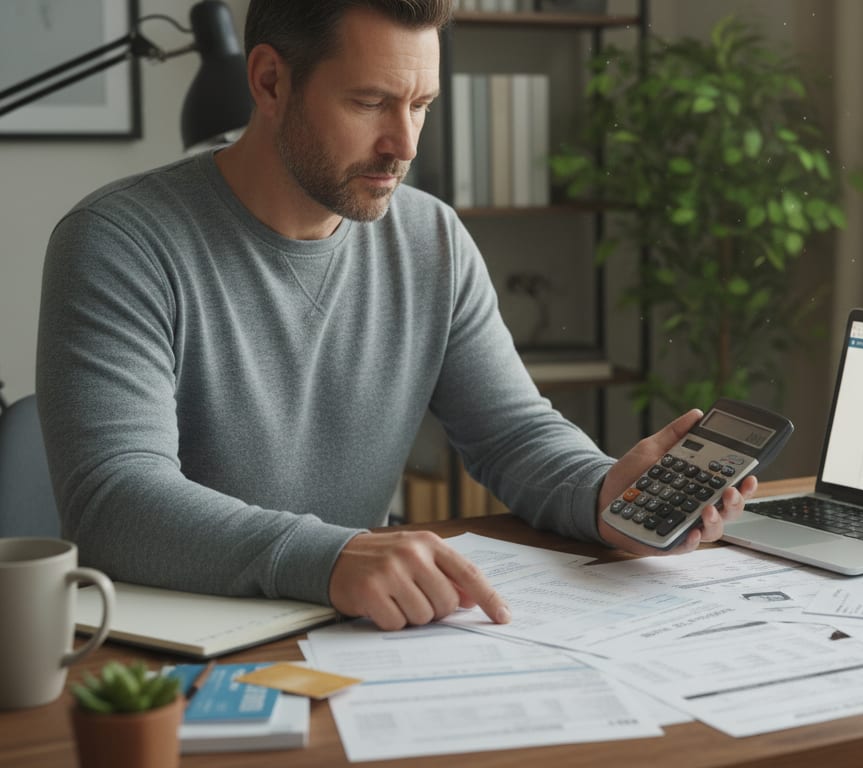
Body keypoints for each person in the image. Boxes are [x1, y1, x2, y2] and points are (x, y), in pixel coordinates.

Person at [35, 0, 756, 632]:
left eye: (420, 105)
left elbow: (512, 434)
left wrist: (603, 495)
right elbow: (114, 502)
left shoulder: (430, 237)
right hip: (169, 655)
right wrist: (335, 554)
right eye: (370, 102)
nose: (404, 146)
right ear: (269, 81)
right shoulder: (117, 241)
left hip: (362, 628)